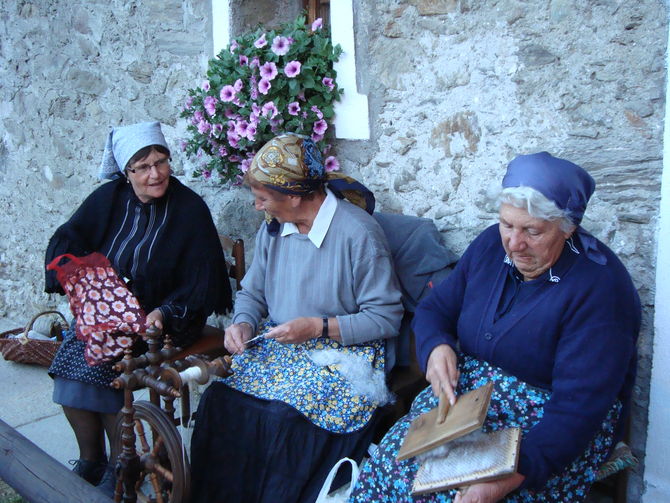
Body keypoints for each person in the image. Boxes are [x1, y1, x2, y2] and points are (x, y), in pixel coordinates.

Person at [350, 152, 640, 503]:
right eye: (508, 225)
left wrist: (510, 475)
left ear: (568, 228)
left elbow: (578, 410)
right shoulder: (490, 245)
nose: (514, 244)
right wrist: (437, 346)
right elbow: (436, 308)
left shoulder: (600, 289)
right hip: (468, 403)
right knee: (390, 468)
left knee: (450, 495)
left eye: (532, 231)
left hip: (548, 428)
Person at [190, 133, 404, 503]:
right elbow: (253, 292)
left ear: (292, 196)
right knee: (219, 402)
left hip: (343, 355)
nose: (258, 207)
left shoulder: (359, 235)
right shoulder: (275, 228)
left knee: (281, 421)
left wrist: (317, 327)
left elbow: (386, 318)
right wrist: (241, 322)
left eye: (263, 198)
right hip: (282, 343)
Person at [45, 121, 232, 496]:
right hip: (110, 312)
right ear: (125, 172)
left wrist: (163, 312)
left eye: (161, 162)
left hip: (166, 316)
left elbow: (201, 281)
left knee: (106, 370)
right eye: (143, 167)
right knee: (68, 364)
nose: (155, 173)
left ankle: (122, 464)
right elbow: (70, 237)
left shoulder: (189, 209)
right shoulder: (109, 198)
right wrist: (80, 284)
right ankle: (91, 459)